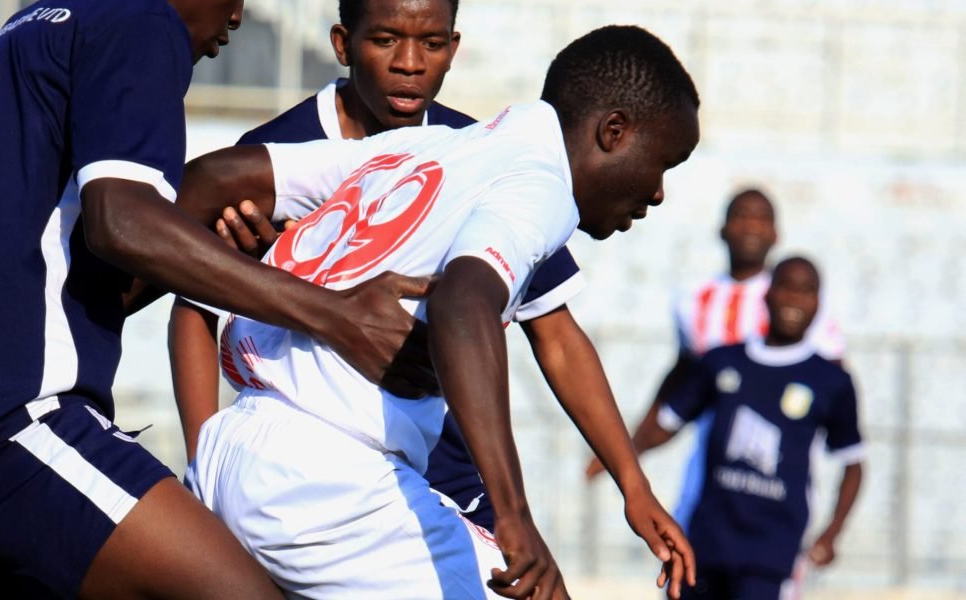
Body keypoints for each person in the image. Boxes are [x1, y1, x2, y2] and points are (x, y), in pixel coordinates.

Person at [0, 1, 434, 598]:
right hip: (6, 421)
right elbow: (123, 224)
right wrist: (336, 316)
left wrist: (212, 254)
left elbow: (79, 260)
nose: (238, 18)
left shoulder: (41, 20)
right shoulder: (141, 21)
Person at [181, 25, 702, 600]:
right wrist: (515, 516)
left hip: (231, 450)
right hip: (327, 485)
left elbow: (215, 175)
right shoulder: (539, 186)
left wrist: (632, 483)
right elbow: (461, 305)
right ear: (613, 132)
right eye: (664, 165)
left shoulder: (425, 148)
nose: (658, 193)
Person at [170, 0, 603, 535]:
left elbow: (555, 332)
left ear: (453, 49)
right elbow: (195, 310)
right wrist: (200, 461)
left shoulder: (485, 150)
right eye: (385, 40)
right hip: (309, 473)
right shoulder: (273, 153)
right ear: (341, 43)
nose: (410, 62)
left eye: (432, 43)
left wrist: (631, 479)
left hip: (450, 473)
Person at [586, 189, 845, 532]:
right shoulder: (695, 301)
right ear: (722, 228)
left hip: (779, 485)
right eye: (741, 216)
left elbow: (835, 385)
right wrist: (627, 450)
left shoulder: (794, 298)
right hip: (710, 479)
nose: (750, 226)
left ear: (775, 233)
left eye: (761, 219)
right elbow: (680, 386)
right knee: (690, 571)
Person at [631, 257, 865, 600]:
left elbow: (853, 463)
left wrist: (831, 533)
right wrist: (623, 457)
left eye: (807, 291)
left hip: (773, 555)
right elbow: (667, 423)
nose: (794, 300)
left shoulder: (831, 379)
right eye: (786, 287)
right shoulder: (722, 360)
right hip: (705, 541)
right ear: (767, 294)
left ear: (819, 302)